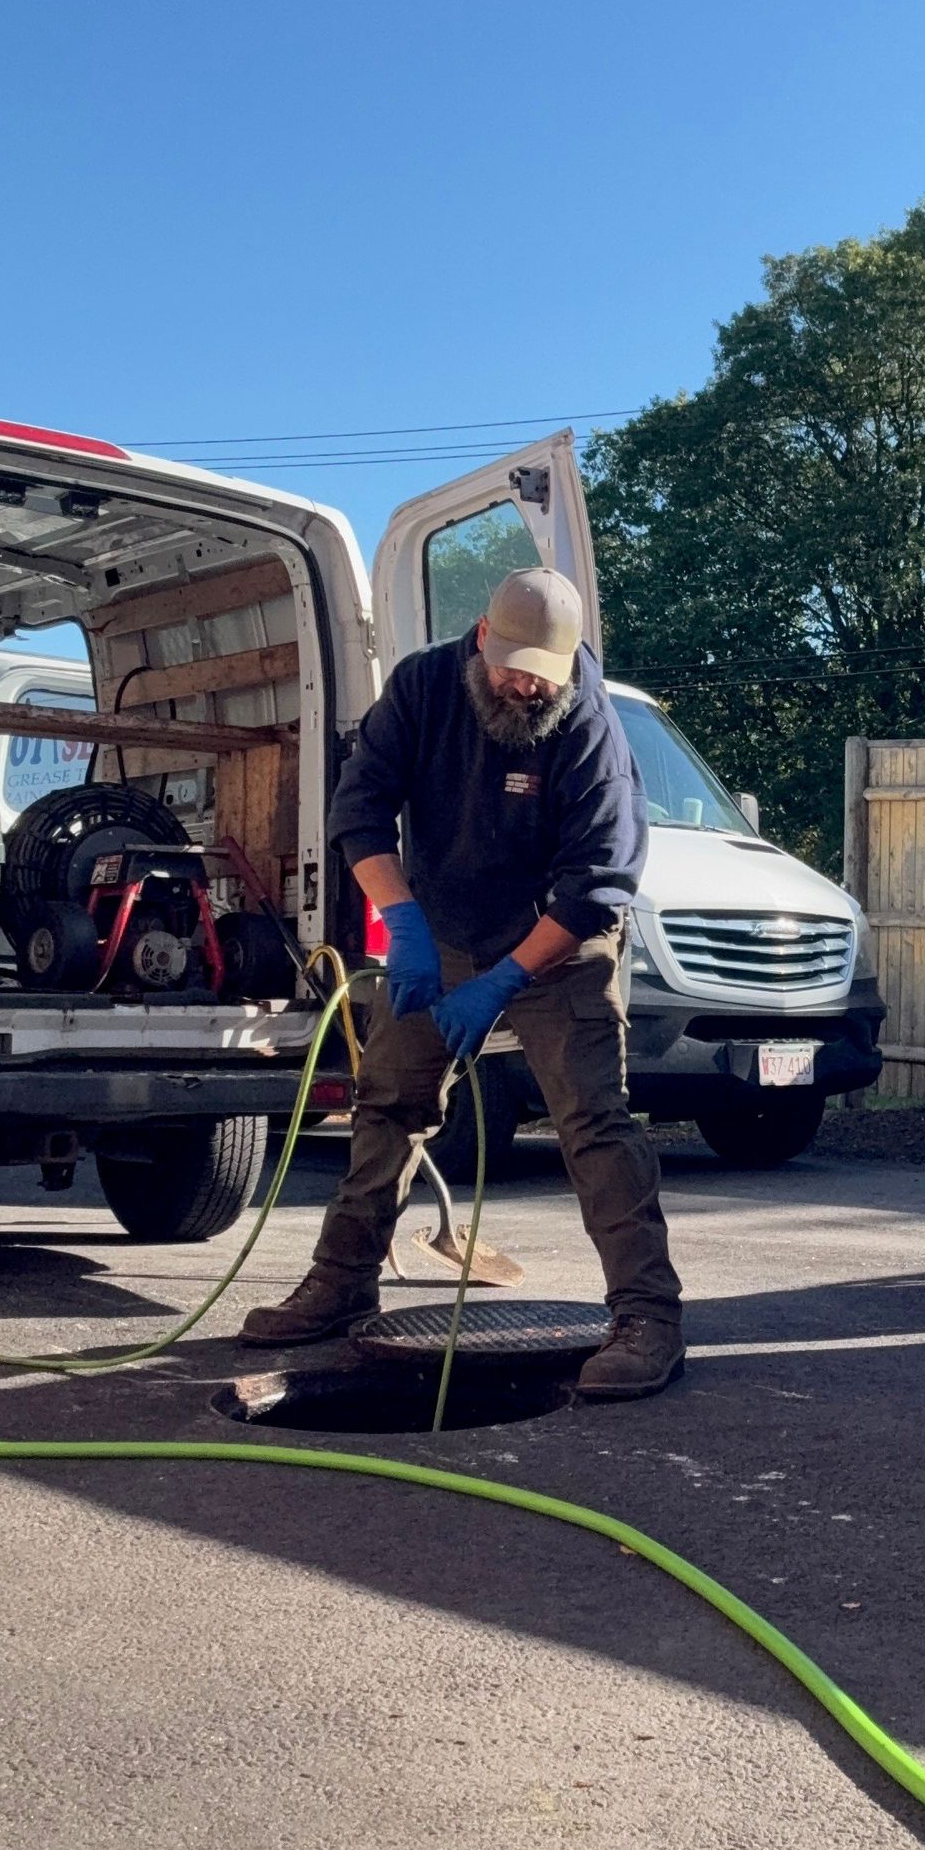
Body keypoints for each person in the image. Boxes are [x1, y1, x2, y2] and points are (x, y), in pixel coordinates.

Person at [241, 565, 685, 1398]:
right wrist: (404, 926)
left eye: (542, 677)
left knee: (593, 1122)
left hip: (561, 943)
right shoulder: (422, 688)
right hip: (439, 930)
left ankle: (648, 1317)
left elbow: (598, 885)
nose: (524, 688)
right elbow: (360, 811)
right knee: (389, 1103)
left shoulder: (587, 726)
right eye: (512, 667)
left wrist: (505, 980)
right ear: (482, 638)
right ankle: (341, 1282)